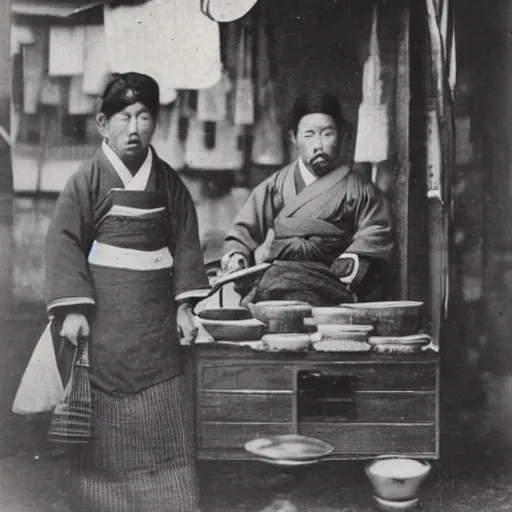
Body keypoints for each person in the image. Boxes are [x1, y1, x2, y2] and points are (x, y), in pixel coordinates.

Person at [44, 72, 210, 511]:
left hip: (155, 322)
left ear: (156, 123)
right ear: (102, 123)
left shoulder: (170, 184)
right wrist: (74, 311)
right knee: (103, 436)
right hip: (103, 324)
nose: (134, 128)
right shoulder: (85, 181)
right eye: (123, 117)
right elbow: (63, 243)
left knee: (162, 420)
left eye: (144, 117)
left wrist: (185, 307)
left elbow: (187, 245)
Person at [222, 91, 394, 306]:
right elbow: (242, 234)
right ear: (294, 137)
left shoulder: (360, 190)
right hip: (276, 284)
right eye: (309, 134)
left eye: (327, 134)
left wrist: (353, 259)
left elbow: (375, 230)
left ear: (340, 136)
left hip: (333, 284)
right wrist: (237, 256)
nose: (318, 144)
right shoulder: (274, 186)